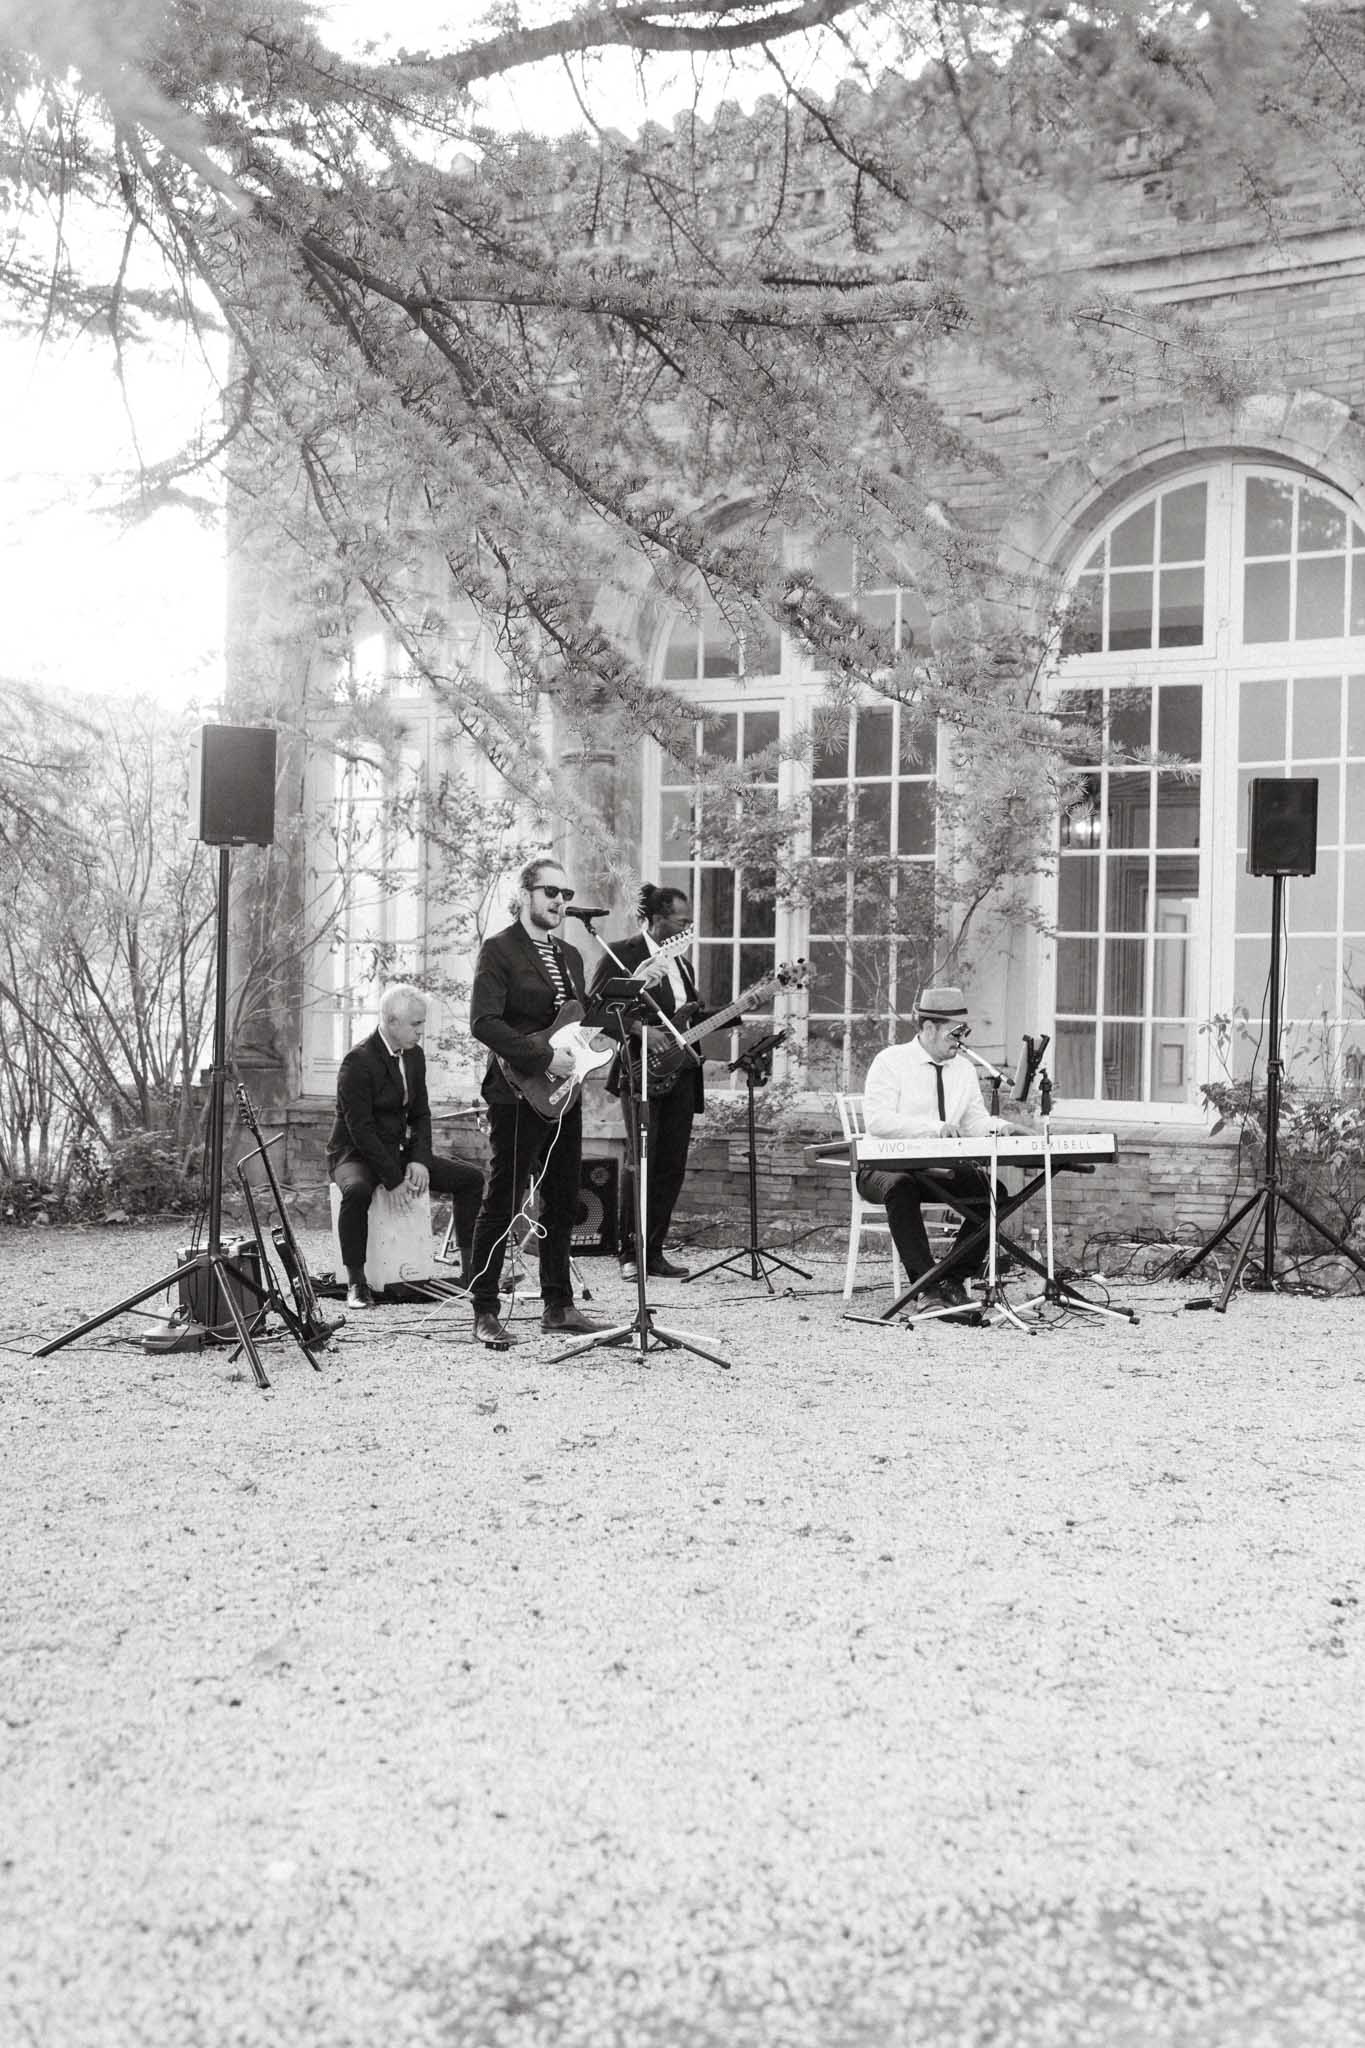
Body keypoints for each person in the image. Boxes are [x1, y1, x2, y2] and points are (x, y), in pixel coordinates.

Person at [465, 857, 608, 1347]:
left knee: (564, 1197)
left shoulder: (570, 955)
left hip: (563, 1094)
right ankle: (484, 1307)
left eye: (566, 895)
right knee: (503, 1197)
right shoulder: (499, 950)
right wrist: (544, 1055)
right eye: (551, 892)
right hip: (516, 1090)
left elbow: (577, 1021)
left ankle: (558, 1305)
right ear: (525, 893)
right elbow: (484, 1023)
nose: (560, 902)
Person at [858, 984, 1030, 1323]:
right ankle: (926, 1288)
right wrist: (933, 1128)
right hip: (882, 1166)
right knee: (901, 1187)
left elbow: (975, 1120)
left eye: (965, 1032)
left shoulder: (963, 1070)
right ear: (928, 1028)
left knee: (995, 1194)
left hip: (936, 1169)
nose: (961, 1040)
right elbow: (877, 1120)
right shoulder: (891, 1062)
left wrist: (1003, 1128)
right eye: (955, 1032)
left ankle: (951, 1278)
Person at [328, 982, 483, 1310]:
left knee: (471, 1180)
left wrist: (420, 1160)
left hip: (396, 1151)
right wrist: (393, 1180)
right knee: (356, 1192)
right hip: (354, 1153)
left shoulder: (414, 1056)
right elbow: (361, 1130)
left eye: (422, 1023)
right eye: (416, 1024)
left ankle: (471, 1275)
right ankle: (357, 1283)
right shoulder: (357, 1062)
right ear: (390, 1021)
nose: (421, 1031)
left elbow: (421, 1114)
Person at [590, 883, 707, 1280]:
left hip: (682, 1076)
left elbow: (691, 1020)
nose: (689, 928)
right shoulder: (623, 954)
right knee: (641, 1162)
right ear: (657, 920)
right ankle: (628, 1252)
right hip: (640, 1072)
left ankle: (654, 1250)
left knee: (671, 1166)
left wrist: (748, 1005)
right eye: (682, 921)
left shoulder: (684, 965)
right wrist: (642, 1030)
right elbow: (597, 1008)